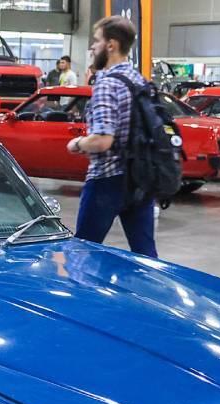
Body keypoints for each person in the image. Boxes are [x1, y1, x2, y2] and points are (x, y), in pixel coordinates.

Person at [66, 16, 156, 257]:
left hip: (107, 179)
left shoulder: (107, 84)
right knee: (145, 254)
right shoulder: (139, 80)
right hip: (140, 177)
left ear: (111, 45)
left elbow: (103, 140)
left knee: (83, 251)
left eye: (96, 41)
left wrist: (77, 143)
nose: (93, 47)